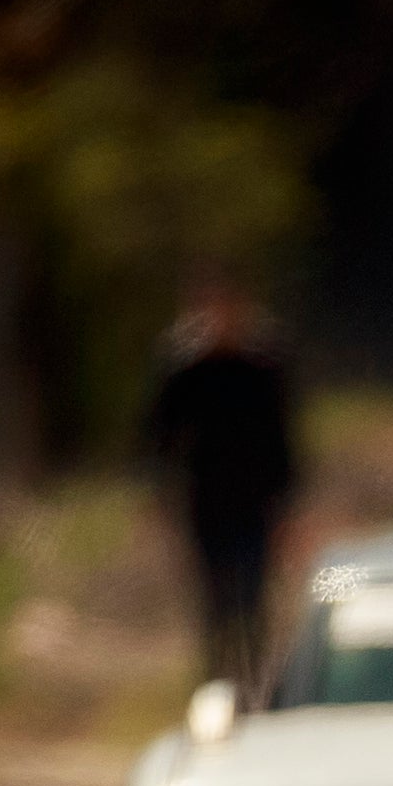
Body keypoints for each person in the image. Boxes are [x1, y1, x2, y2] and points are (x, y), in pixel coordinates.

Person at [143, 284, 299, 694]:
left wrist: (287, 502)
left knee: (252, 599)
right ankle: (215, 682)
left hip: (255, 501)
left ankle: (254, 681)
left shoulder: (263, 368)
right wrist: (161, 495)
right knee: (213, 601)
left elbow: (283, 438)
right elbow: (160, 438)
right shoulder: (185, 371)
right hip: (206, 500)